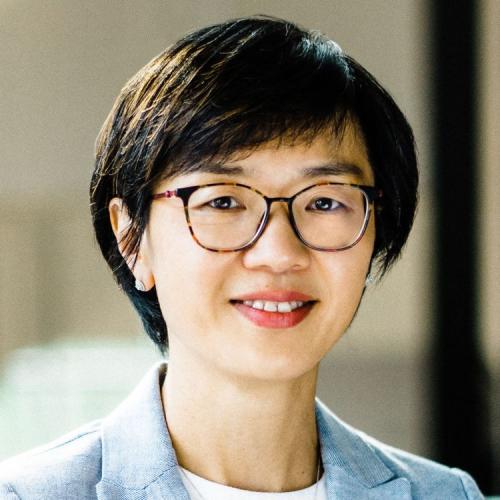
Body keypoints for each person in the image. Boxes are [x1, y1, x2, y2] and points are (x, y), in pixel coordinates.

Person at [0, 15, 484, 500]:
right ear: (132, 240)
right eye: (224, 202)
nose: (279, 253)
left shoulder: (445, 494)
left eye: (324, 202)